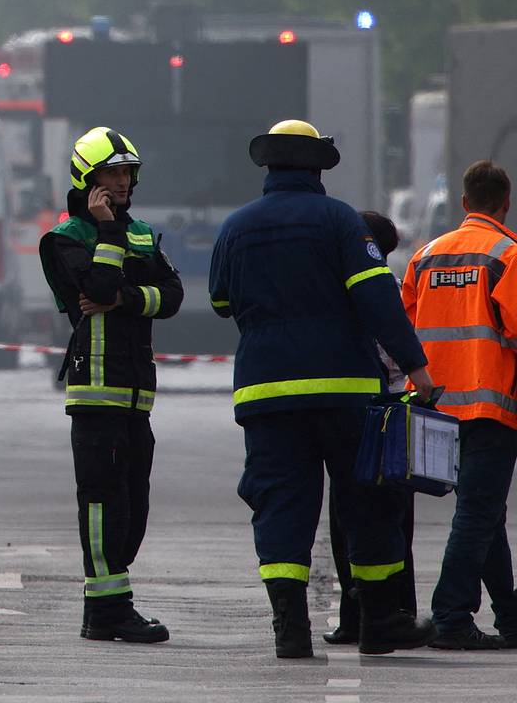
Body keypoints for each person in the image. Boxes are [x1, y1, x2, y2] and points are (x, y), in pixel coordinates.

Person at [208, 119, 436, 658]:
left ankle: (290, 629)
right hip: (345, 391)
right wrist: (417, 368)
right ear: (316, 167)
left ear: (269, 166)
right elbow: (378, 298)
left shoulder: (236, 228)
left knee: (280, 505)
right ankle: (379, 623)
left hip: (266, 394)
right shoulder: (341, 222)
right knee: (366, 504)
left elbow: (221, 302)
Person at [38, 126, 183, 644]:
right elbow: (94, 285)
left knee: (135, 503)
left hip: (136, 393)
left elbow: (171, 297)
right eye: (112, 172)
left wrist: (124, 299)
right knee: (103, 501)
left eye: (127, 172)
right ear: (87, 178)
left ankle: (110, 600)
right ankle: (106, 610)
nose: (123, 181)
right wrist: (108, 235)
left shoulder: (141, 231)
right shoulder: (64, 238)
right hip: (95, 389)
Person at [401, 159, 517, 650]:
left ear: (464, 203)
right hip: (490, 408)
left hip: (433, 409)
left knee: (482, 513)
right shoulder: (508, 255)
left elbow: (401, 327)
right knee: (478, 511)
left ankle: (511, 617)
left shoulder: (425, 256)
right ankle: (451, 616)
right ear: (505, 204)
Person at [322, 210, 418, 645]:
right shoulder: (387, 289)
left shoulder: (331, 289)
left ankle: (351, 615)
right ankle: (396, 611)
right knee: (391, 515)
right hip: (390, 407)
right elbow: (399, 351)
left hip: (347, 407)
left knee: (344, 515)